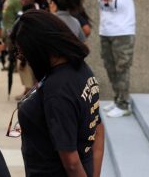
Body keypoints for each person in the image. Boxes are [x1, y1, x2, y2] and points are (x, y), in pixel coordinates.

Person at [9, 10, 105, 177]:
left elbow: (72, 163)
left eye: (22, 52)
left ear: (38, 49)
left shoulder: (57, 90)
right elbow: (98, 130)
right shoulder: (81, 69)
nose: (22, 58)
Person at [96, 0, 136, 118]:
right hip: (106, 33)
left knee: (122, 68)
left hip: (123, 33)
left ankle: (124, 103)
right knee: (110, 67)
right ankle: (117, 98)